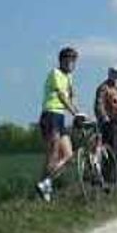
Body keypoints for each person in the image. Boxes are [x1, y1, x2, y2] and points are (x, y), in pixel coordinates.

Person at [35, 47, 85, 202]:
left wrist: (79, 112)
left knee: (68, 155)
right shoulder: (55, 74)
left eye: (74, 61)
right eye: (69, 60)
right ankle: (44, 187)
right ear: (62, 61)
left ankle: (45, 183)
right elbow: (62, 97)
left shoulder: (68, 77)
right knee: (53, 153)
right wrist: (75, 113)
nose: (71, 64)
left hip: (61, 116)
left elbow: (71, 95)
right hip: (51, 114)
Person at [93, 66, 117, 192]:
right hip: (109, 123)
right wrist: (104, 118)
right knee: (111, 152)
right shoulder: (103, 87)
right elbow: (98, 105)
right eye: (114, 73)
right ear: (109, 73)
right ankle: (108, 180)